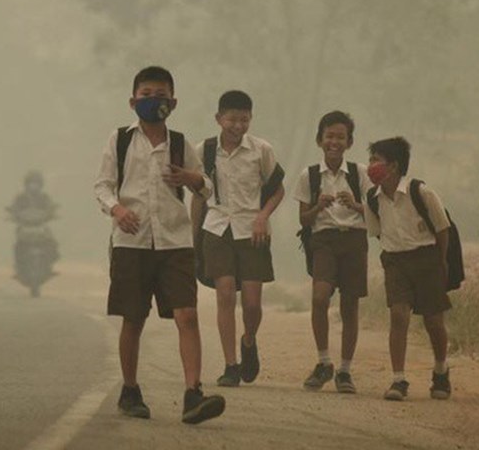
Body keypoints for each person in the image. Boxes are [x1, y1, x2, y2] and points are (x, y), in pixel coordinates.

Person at [94, 65, 225, 424]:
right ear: (133, 100)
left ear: (174, 102)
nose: (154, 102)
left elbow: (207, 187)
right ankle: (130, 390)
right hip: (131, 242)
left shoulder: (181, 144)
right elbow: (102, 185)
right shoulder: (120, 139)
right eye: (147, 95)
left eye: (161, 96)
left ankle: (192, 394)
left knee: (188, 315)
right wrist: (117, 208)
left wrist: (192, 178)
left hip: (175, 241)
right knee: (133, 318)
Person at [194, 90, 284, 388]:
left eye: (244, 120)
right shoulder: (204, 151)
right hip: (217, 228)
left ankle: (249, 340)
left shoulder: (261, 150)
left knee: (253, 302)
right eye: (232, 119)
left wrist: (263, 216)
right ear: (219, 119)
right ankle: (230, 364)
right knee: (224, 293)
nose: (237, 126)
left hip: (252, 230)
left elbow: (277, 189)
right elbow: (199, 196)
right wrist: (195, 235)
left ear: (250, 120)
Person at [364, 137, 452, 401]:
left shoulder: (421, 192)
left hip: (427, 259)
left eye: (376, 160)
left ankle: (440, 370)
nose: (371, 166)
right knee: (398, 316)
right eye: (370, 160)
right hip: (395, 261)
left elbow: (442, 228)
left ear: (394, 166)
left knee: (433, 320)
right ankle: (398, 379)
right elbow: (378, 233)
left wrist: (441, 261)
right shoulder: (372, 199)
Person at [293, 111, 371, 394]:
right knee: (319, 297)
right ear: (320, 139)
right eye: (329, 136)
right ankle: (324, 361)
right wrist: (318, 207)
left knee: (350, 305)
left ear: (349, 142)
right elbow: (303, 219)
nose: (334, 142)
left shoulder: (360, 173)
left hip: (353, 240)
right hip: (323, 240)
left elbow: (375, 213)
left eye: (340, 137)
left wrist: (355, 205)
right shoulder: (310, 175)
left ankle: (345, 370)